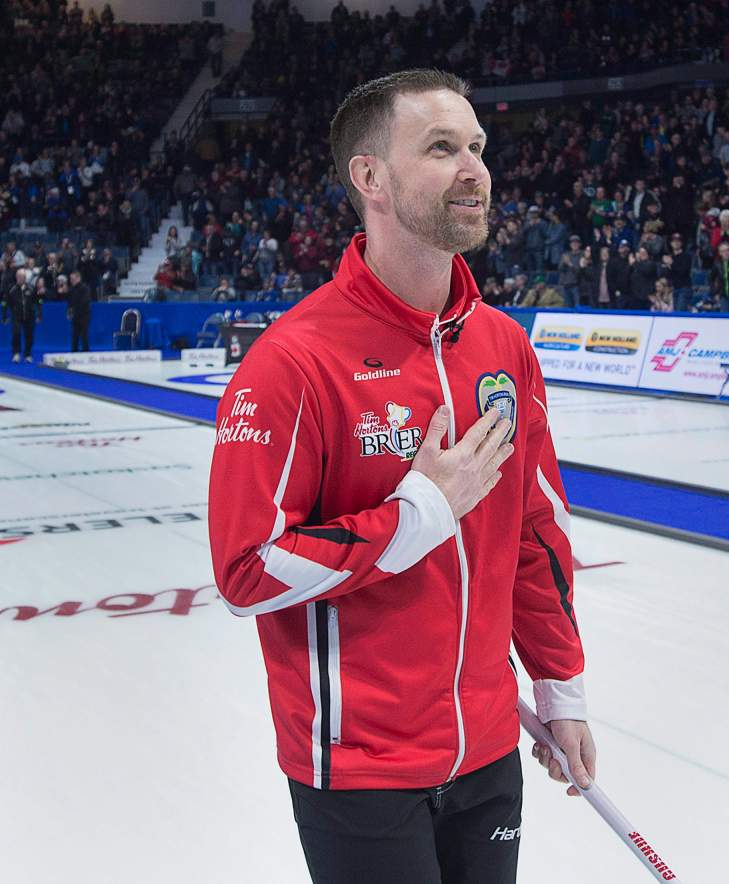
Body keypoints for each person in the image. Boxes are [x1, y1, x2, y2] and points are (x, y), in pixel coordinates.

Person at [208, 70, 593, 884]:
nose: (474, 169)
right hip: (360, 772)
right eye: (441, 148)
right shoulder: (292, 362)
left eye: (478, 147)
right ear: (370, 177)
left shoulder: (504, 349)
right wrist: (416, 514)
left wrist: (560, 687)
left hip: (489, 752)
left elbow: (534, 532)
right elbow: (246, 572)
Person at [3, 268, 41, 362]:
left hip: (29, 315)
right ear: (16, 277)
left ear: (25, 278)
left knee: (29, 335)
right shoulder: (11, 289)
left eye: (22, 277)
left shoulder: (31, 288)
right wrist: (4, 315)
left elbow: (38, 301)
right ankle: (16, 353)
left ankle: (27, 354)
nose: (20, 278)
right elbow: (5, 303)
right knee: (16, 333)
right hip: (16, 316)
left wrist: (39, 314)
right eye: (18, 277)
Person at [66, 270, 92, 351]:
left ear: (78, 278)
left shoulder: (85, 288)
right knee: (75, 335)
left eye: (73, 279)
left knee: (84, 335)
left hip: (84, 315)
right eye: (70, 279)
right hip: (75, 315)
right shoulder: (71, 289)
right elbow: (70, 302)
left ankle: (85, 351)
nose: (71, 281)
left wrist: (75, 307)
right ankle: (74, 351)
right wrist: (69, 312)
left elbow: (84, 301)